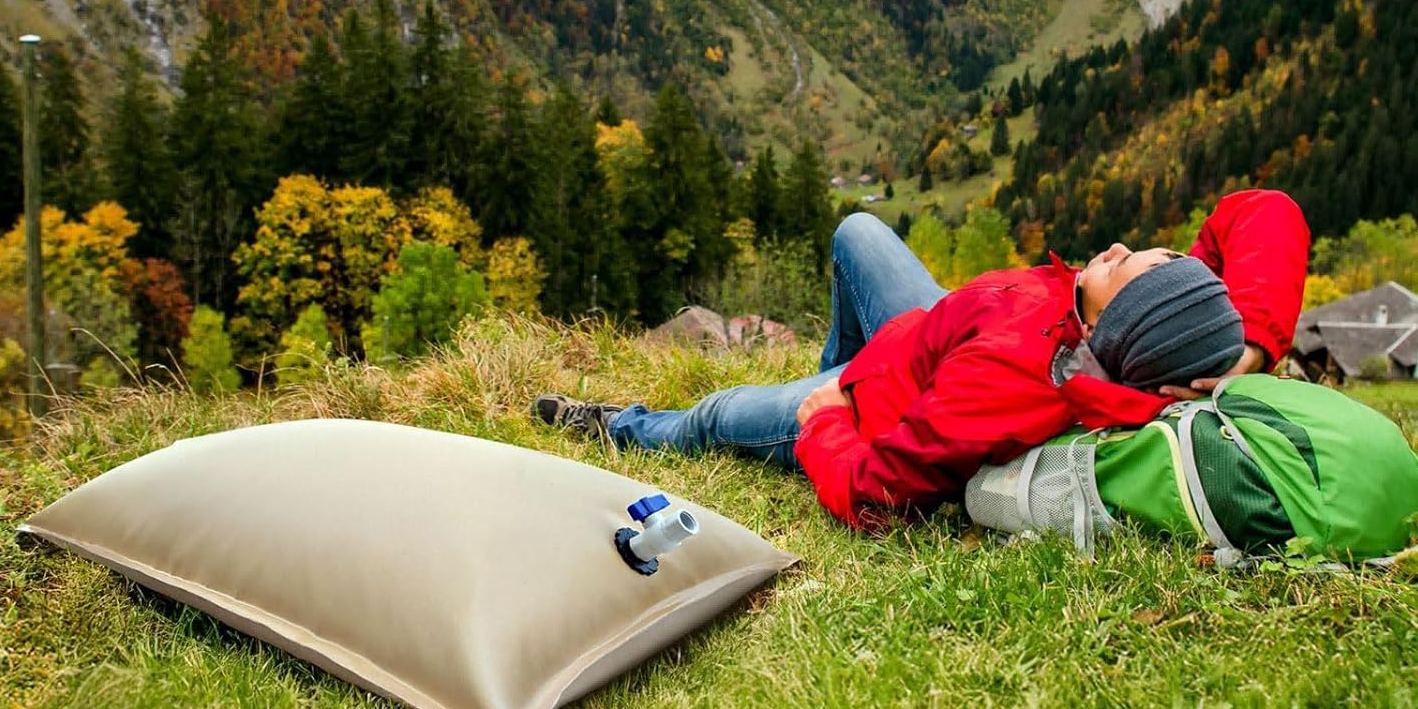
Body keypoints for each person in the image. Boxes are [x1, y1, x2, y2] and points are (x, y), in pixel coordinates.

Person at [534, 188, 1310, 530]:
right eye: (1152, 253)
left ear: (1118, 329)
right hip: (934, 327)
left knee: (714, 416)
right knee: (857, 233)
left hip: (871, 401)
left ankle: (617, 427)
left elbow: (881, 493)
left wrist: (828, 423)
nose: (1112, 247)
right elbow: (1263, 212)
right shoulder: (1143, 324)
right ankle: (835, 358)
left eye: (1121, 267)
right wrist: (1249, 346)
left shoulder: (1010, 380)